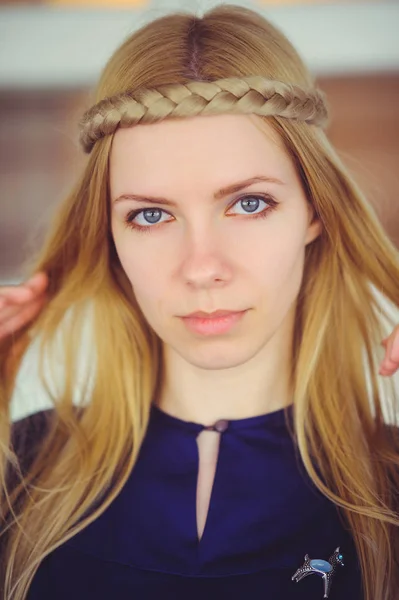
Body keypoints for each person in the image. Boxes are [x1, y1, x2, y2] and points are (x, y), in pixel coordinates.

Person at [0, 4, 398, 600]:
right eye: (151, 215)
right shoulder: (20, 469)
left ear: (315, 211)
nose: (203, 267)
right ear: (110, 235)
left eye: (249, 203)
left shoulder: (389, 489)